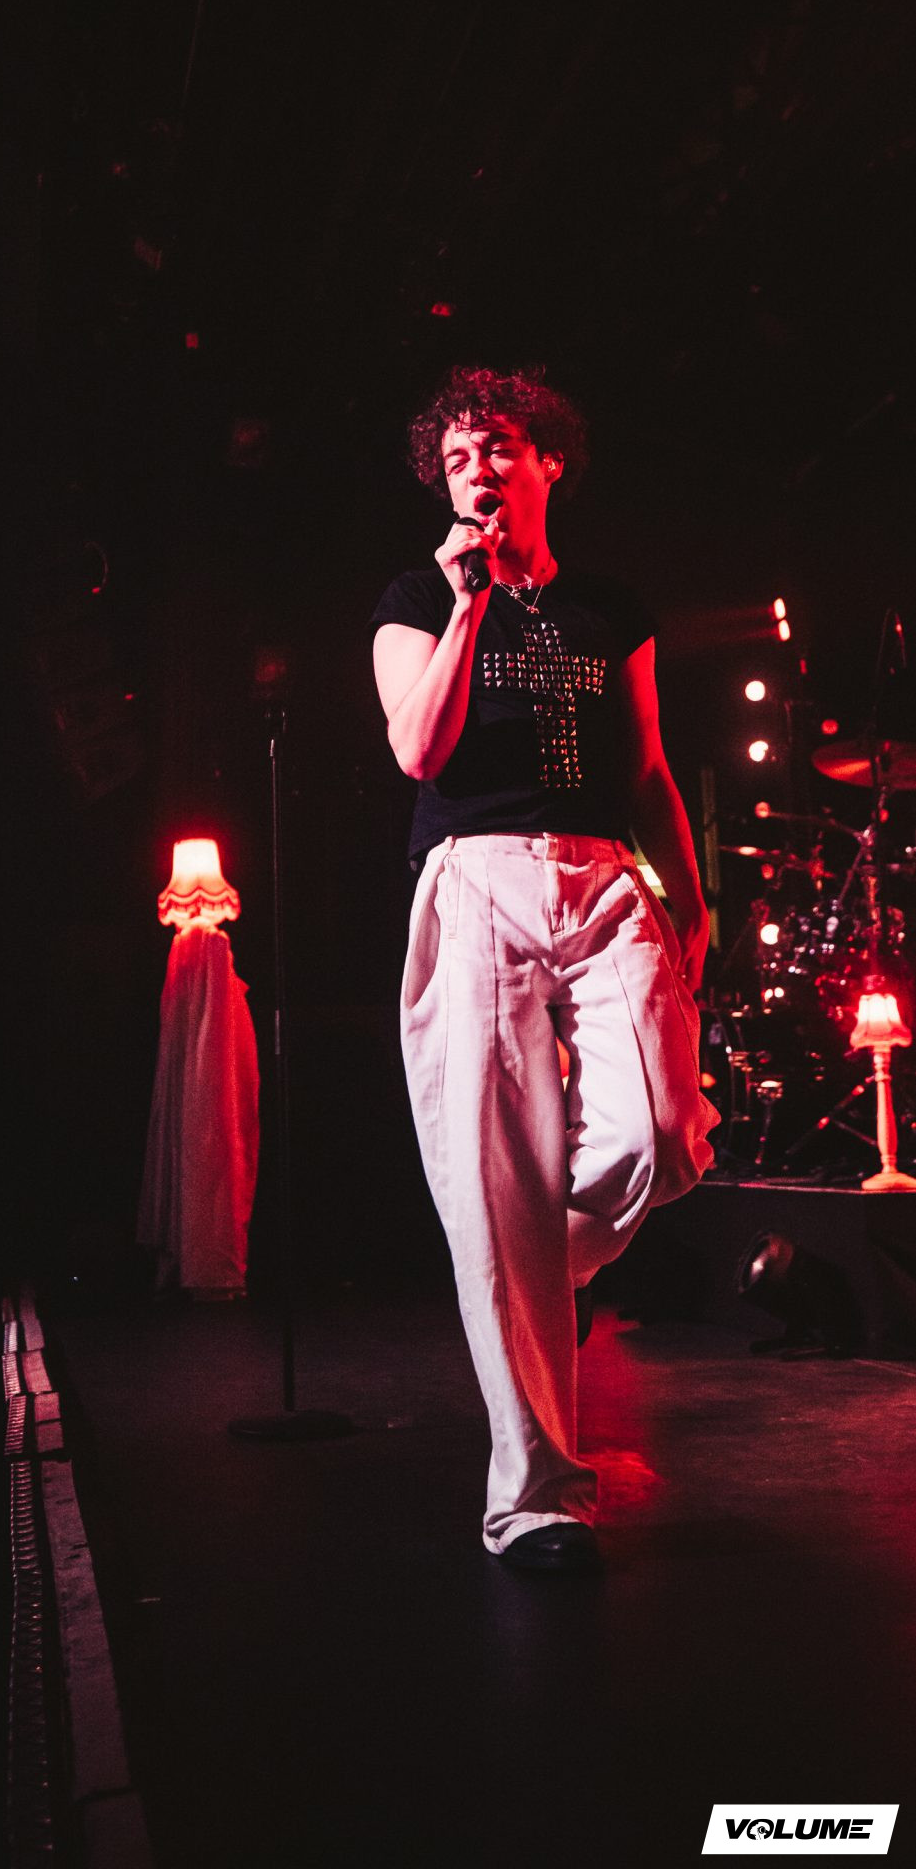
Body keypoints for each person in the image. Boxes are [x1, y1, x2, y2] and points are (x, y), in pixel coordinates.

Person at [371, 366, 718, 1573]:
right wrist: (467, 605)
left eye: (500, 447)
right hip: (475, 877)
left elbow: (648, 767)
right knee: (493, 1176)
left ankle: (530, 1263)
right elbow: (419, 750)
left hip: (605, 873)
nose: (478, 469)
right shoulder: (415, 598)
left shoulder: (612, 608)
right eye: (458, 457)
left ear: (548, 462)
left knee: (665, 1132)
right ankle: (535, 1501)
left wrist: (691, 895)